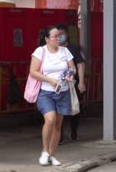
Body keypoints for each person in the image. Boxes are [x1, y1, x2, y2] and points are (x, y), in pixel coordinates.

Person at [29, 25, 75, 166]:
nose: (58, 38)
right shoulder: (40, 51)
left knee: (58, 125)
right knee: (50, 119)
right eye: (55, 36)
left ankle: (51, 155)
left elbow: (72, 68)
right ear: (47, 39)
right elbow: (33, 72)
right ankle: (44, 151)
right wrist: (51, 81)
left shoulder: (65, 51)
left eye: (59, 36)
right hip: (46, 92)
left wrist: (70, 75)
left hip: (63, 92)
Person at [56, 24, 86, 143]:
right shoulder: (52, 49)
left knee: (74, 109)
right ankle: (60, 136)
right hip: (57, 84)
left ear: (67, 35)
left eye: (62, 34)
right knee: (59, 110)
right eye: (58, 35)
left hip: (72, 83)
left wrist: (81, 82)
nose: (60, 37)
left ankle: (74, 130)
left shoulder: (73, 49)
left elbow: (80, 64)